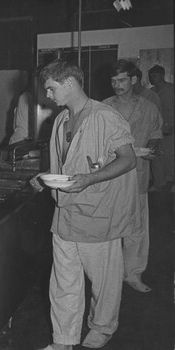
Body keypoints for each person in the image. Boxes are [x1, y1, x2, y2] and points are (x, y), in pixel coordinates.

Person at [33, 59, 140, 350]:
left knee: (103, 282)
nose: (49, 96)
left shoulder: (104, 116)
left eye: (51, 89)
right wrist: (43, 178)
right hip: (65, 213)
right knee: (63, 283)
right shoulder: (60, 120)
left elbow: (128, 159)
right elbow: (64, 165)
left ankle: (103, 327)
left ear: (69, 82)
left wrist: (90, 179)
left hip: (97, 214)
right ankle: (63, 340)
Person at [102, 59, 163, 293]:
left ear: (134, 79)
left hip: (137, 175)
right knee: (110, 227)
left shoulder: (148, 107)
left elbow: (156, 133)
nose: (116, 84)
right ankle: (109, 275)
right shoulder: (103, 108)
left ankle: (133, 274)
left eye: (121, 80)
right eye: (113, 80)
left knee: (137, 228)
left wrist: (153, 148)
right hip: (110, 177)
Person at [133, 67, 165, 191]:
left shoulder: (151, 96)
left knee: (155, 162)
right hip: (136, 138)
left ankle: (159, 187)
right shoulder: (129, 98)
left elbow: (157, 118)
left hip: (151, 134)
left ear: (135, 80)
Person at [148, 64, 174, 187]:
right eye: (151, 75)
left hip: (171, 129)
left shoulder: (171, 89)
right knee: (157, 156)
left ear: (162, 75)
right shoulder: (151, 92)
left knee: (171, 156)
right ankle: (159, 183)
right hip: (156, 129)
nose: (153, 78)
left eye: (155, 75)